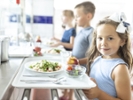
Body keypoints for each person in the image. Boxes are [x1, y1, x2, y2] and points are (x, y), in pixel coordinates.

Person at [83, 12, 133, 100]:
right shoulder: (97, 60)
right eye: (100, 38)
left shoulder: (119, 68)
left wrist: (99, 94)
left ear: (122, 41)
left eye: (110, 38)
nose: (103, 43)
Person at [60, 1, 96, 100]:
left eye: (77, 16)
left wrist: (78, 61)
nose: (75, 19)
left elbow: (94, 56)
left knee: (82, 94)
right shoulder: (80, 31)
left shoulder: (91, 33)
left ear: (88, 16)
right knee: (72, 84)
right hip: (75, 66)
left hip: (83, 69)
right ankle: (68, 96)